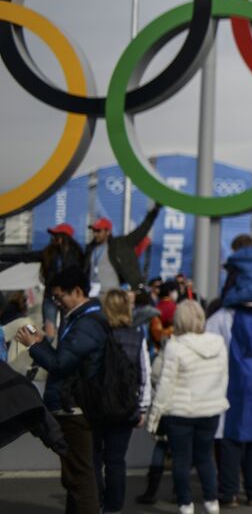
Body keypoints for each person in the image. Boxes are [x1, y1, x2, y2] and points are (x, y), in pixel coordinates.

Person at [15, 263, 106, 514]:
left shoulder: (86, 322)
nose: (56, 303)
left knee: (80, 476)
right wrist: (43, 344)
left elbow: (60, 363)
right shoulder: (80, 319)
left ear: (76, 291)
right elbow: (65, 357)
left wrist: (34, 346)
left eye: (59, 296)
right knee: (75, 476)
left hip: (74, 407)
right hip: (73, 405)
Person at [206, 236, 252, 507]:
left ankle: (229, 493)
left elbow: (209, 349)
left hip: (231, 386)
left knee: (229, 440)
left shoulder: (223, 317)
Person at [148, 300, 228, 514]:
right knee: (205, 458)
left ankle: (186, 506)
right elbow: (223, 377)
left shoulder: (175, 346)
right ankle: (212, 503)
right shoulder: (218, 343)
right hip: (210, 410)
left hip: (180, 412)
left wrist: (154, 416)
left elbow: (165, 385)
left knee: (181, 460)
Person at [93, 289, 151, 513]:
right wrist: (142, 408)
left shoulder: (98, 335)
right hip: (125, 408)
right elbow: (143, 375)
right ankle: (113, 507)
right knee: (116, 461)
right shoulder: (137, 337)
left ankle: (95, 501)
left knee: (95, 459)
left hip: (98, 406)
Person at [87, 206, 162, 294]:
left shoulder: (123, 243)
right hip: (96, 294)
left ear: (108, 232)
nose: (95, 234)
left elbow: (143, 228)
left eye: (98, 231)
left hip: (119, 294)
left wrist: (154, 211)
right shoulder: (90, 249)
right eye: (94, 231)